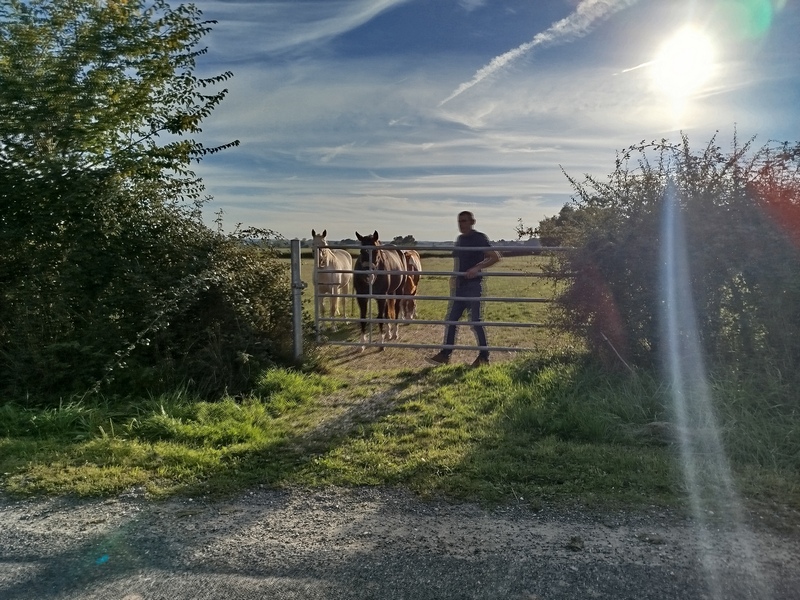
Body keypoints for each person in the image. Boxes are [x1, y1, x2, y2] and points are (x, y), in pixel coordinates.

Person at [427, 211, 501, 367]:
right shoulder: (460, 240)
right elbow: (459, 262)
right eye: (459, 221)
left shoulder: (479, 238)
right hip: (460, 287)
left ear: (472, 222)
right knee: (451, 320)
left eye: (465, 221)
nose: (462, 224)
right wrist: (455, 277)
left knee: (475, 322)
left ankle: (484, 357)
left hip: (474, 286)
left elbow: (495, 256)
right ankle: (445, 355)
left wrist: (477, 267)